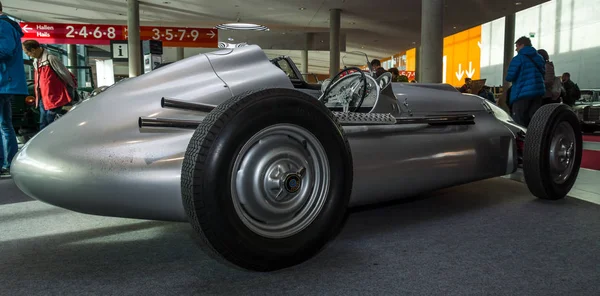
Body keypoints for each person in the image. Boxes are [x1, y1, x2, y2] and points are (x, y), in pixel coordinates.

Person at [22, 40, 77, 130]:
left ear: (33, 50)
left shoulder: (51, 59)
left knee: (50, 121)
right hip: (43, 98)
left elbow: (65, 74)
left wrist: (72, 90)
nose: (28, 55)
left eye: (27, 52)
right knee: (43, 123)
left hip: (54, 97)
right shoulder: (36, 61)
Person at [0, 2, 28, 177]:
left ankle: (7, 162)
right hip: (5, 83)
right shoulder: (7, 24)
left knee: (4, 126)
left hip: (3, 82)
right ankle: (8, 162)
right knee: (5, 125)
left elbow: (5, 50)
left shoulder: (2, 25)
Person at [505, 36, 546, 127]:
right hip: (538, 93)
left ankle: (522, 140)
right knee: (534, 119)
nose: (516, 49)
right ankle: (534, 139)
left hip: (522, 93)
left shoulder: (518, 58)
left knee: (519, 121)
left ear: (522, 45)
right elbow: (543, 72)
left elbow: (510, 77)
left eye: (517, 46)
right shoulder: (539, 58)